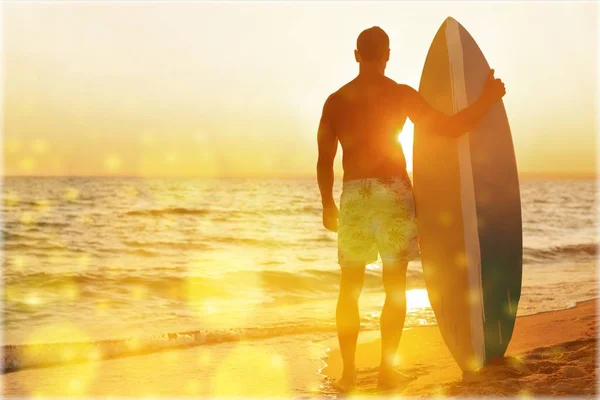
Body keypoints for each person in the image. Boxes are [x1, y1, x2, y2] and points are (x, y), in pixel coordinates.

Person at [316, 26, 506, 392]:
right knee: (395, 286)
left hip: (355, 196)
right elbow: (449, 129)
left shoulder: (335, 101)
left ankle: (350, 375)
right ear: (387, 54)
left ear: (356, 54)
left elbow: (325, 161)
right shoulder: (400, 95)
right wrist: (486, 99)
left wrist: (327, 203)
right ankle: (387, 372)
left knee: (349, 289)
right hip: (394, 193)